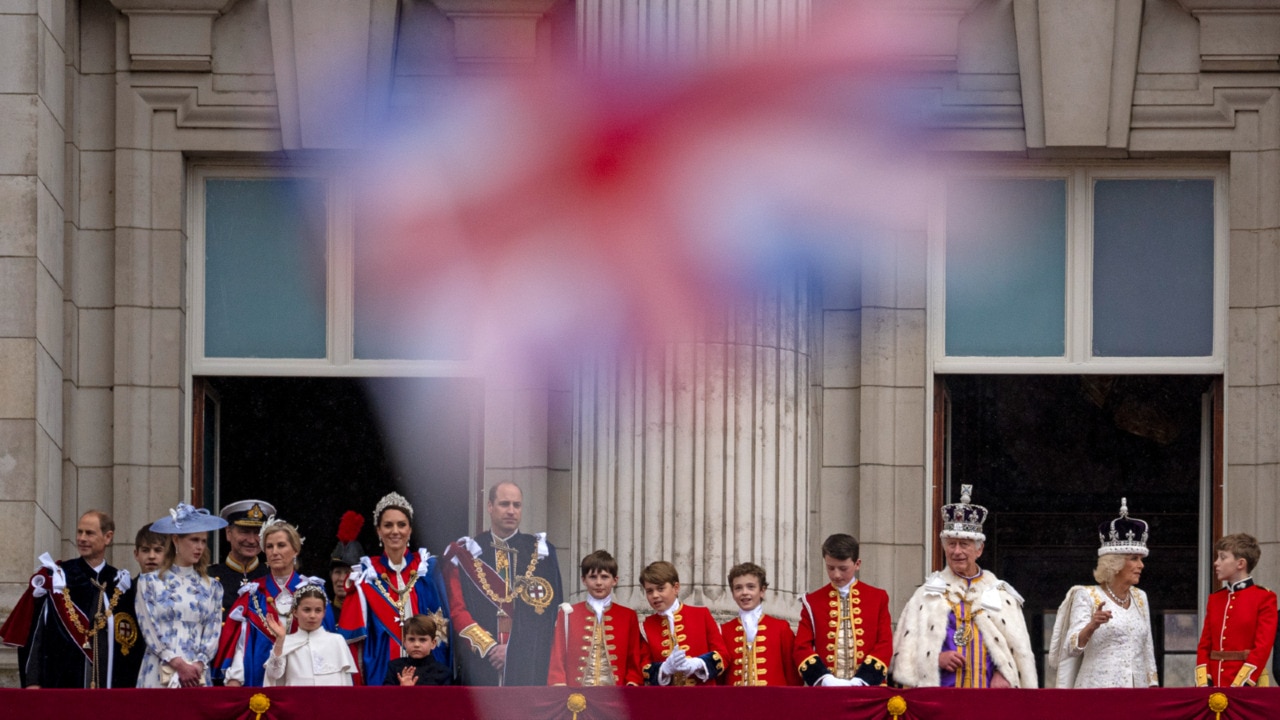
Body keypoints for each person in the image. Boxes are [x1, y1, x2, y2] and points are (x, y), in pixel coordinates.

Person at [891, 484, 1037, 688]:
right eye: (951, 544)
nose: (956, 551)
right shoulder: (925, 595)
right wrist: (936, 659)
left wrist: (1005, 674)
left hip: (987, 701)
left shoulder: (1001, 594)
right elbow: (903, 657)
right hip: (941, 699)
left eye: (964, 544)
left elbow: (1017, 653)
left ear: (979, 549)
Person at [443, 481, 563, 686]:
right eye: (504, 504)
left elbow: (550, 613)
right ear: (490, 506)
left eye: (517, 505)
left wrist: (513, 651)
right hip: (481, 662)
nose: (511, 511)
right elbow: (457, 610)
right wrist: (489, 647)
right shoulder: (467, 552)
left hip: (528, 664)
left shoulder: (542, 552)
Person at [0, 510, 137, 688]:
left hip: (109, 688)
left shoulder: (119, 583)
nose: (81, 538)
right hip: (61, 684)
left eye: (89, 533)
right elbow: (36, 632)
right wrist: (32, 681)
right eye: (79, 532)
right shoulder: (58, 577)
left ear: (108, 537)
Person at [338, 491, 450, 686]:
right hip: (382, 664)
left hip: (426, 667)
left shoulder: (426, 569)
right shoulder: (367, 574)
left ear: (410, 530)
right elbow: (356, 634)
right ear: (378, 531)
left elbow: (441, 627)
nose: (395, 531)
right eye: (388, 525)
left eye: (401, 524)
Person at [1049, 499, 1158, 688]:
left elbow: (1147, 648)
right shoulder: (1087, 595)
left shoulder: (1141, 597)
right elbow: (1071, 647)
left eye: (1141, 559)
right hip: (1097, 692)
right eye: (1134, 559)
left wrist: (1153, 688)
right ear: (1115, 564)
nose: (1141, 565)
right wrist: (1092, 625)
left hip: (1137, 694)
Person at [136, 504, 226, 687]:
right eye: (194, 540)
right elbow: (149, 628)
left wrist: (198, 664)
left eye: (203, 541)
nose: (199, 547)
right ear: (176, 540)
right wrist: (176, 662)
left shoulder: (213, 586)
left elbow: (213, 631)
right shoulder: (149, 582)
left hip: (197, 674)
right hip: (160, 668)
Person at [217, 518, 313, 687]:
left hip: (303, 680)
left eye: (281, 545)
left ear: (296, 550)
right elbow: (242, 645)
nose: (275, 551)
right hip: (260, 680)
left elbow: (322, 642)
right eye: (269, 547)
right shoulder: (253, 595)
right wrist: (235, 679)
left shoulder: (311, 593)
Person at [794, 535, 891, 687]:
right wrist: (825, 679)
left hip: (870, 688)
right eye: (830, 568)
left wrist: (862, 680)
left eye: (843, 568)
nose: (836, 575)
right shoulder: (812, 601)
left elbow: (884, 643)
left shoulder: (878, 597)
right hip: (826, 691)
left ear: (857, 564)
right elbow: (801, 647)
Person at [547, 549, 643, 686]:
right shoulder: (568, 614)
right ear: (584, 580)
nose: (598, 583)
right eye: (593, 577)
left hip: (616, 698)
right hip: (576, 697)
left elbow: (634, 659)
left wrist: (632, 684)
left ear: (615, 580)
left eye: (604, 577)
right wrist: (559, 685)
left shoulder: (628, 616)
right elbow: (557, 656)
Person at [1196, 533, 1278, 687]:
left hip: (1246, 684)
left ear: (1240, 563)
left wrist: (1243, 682)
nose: (1216, 563)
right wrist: (1204, 679)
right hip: (1214, 683)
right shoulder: (1215, 600)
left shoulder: (1264, 598)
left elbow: (1262, 647)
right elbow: (1204, 645)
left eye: (1222, 557)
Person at [638, 560, 727, 686]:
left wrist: (698, 663)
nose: (655, 595)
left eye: (661, 588)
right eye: (649, 591)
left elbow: (723, 655)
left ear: (676, 588)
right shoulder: (645, 627)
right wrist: (663, 669)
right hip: (665, 701)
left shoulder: (701, 615)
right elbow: (643, 667)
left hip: (703, 698)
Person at [264, 579, 357, 687]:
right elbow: (273, 675)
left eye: (318, 610)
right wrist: (280, 640)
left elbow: (346, 683)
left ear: (324, 613)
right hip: (297, 701)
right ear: (295, 612)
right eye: (307, 610)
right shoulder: (286, 642)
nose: (312, 616)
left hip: (329, 701)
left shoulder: (336, 640)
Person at [721, 562, 799, 686]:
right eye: (738, 588)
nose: (744, 592)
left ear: (762, 590)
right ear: (732, 593)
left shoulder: (780, 628)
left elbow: (792, 674)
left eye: (751, 587)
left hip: (773, 701)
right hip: (734, 701)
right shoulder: (724, 630)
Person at [116, 524, 169, 688]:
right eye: (145, 550)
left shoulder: (174, 594)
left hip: (166, 674)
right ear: (136, 554)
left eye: (158, 550)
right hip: (130, 675)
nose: (151, 556)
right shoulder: (123, 595)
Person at [208, 499, 276, 614]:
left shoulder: (273, 575)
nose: (251, 540)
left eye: (257, 533)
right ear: (228, 533)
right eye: (244, 531)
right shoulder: (209, 576)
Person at [385, 614, 454, 686]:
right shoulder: (395, 668)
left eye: (422, 640)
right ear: (404, 642)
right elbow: (384, 696)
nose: (416, 645)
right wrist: (402, 689)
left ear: (433, 643)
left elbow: (447, 697)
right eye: (411, 639)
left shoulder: (443, 673)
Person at [326, 510, 365, 631]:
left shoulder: (367, 613)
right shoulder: (322, 614)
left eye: (348, 572)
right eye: (337, 572)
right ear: (331, 575)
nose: (342, 579)